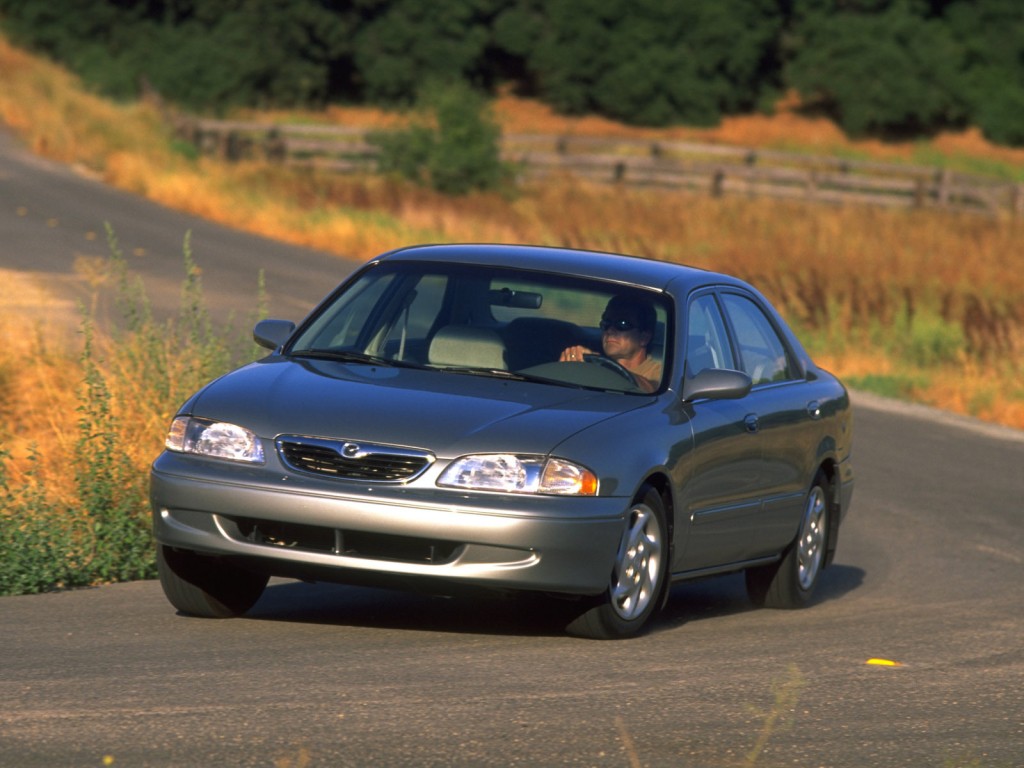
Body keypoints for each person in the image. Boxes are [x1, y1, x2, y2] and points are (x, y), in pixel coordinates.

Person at [559, 294, 662, 392]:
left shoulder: (660, 373)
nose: (610, 330)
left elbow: (652, 389)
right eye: (606, 323)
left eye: (622, 324)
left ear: (644, 338)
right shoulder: (589, 365)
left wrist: (601, 367)